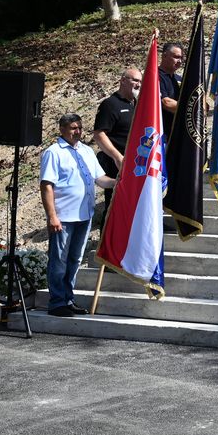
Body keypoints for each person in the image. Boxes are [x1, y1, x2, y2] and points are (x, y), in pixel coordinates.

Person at [40, 113, 116, 317]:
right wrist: (52, 216)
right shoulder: (53, 152)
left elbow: (100, 179)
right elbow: (46, 186)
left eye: (80, 128)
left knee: (74, 259)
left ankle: (68, 298)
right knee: (59, 260)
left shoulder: (86, 151)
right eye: (73, 128)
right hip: (64, 217)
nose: (78, 132)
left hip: (84, 216)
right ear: (62, 129)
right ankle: (57, 302)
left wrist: (119, 182)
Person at [91, 67, 141, 213]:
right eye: (135, 80)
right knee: (115, 208)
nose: (138, 84)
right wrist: (117, 156)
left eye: (140, 81)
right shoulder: (110, 104)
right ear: (123, 81)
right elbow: (99, 134)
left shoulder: (138, 105)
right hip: (118, 166)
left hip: (138, 164)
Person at [158, 42, 184, 129]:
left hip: (177, 130)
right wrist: (191, 109)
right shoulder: (156, 76)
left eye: (181, 58)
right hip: (161, 131)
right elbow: (166, 103)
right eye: (176, 57)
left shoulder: (179, 79)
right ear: (164, 56)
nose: (179, 61)